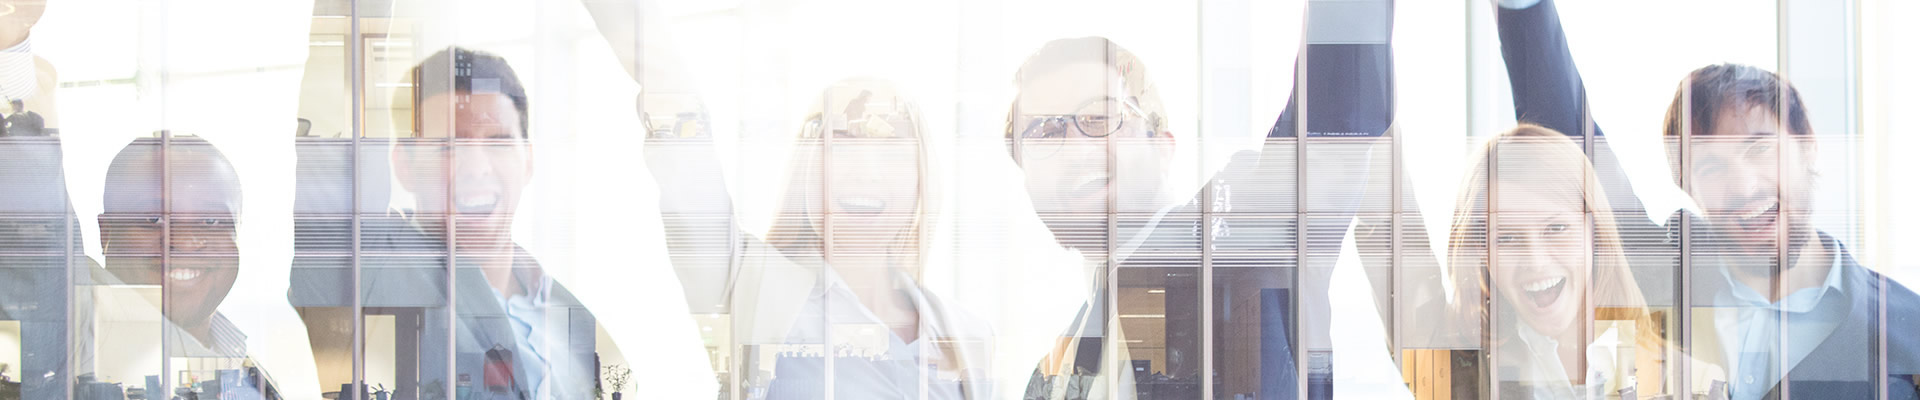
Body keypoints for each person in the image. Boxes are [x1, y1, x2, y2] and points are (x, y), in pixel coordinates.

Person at [647, 78, 991, 399]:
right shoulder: (749, 285)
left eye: (891, 150)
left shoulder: (969, 333)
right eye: (841, 145)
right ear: (806, 169)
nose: (867, 173)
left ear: (921, 179)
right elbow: (687, 173)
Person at [1660, 63, 1920, 399]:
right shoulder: (1664, 295)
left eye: (1760, 149)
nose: (1744, 187)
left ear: (1807, 147)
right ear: (1687, 186)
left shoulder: (1909, 333)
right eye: (1710, 167)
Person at [1442, 125, 1666, 398]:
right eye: (1506, 238)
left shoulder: (1684, 379)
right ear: (1482, 251)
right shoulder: (1460, 381)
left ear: (1594, 229)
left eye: (1556, 228)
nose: (1536, 261)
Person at [96, 137, 271, 398]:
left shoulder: (242, 363)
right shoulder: (74, 356)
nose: (185, 241)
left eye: (211, 220)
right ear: (106, 234)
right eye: (154, 218)